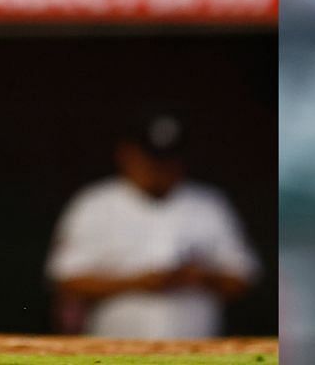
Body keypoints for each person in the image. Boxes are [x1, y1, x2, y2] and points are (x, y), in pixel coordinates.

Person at [46, 115, 261, 339]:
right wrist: (138, 282)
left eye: (168, 160)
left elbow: (244, 276)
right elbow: (65, 277)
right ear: (127, 154)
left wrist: (201, 277)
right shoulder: (94, 204)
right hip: (115, 349)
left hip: (196, 350)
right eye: (150, 159)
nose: (159, 168)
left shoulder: (210, 205)